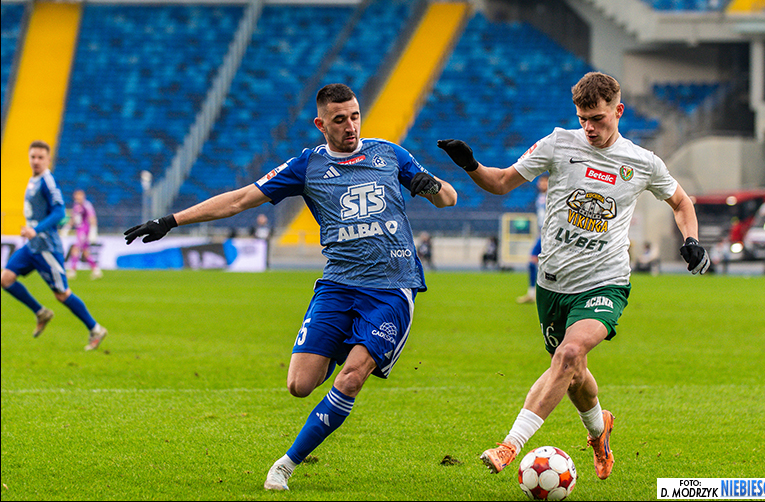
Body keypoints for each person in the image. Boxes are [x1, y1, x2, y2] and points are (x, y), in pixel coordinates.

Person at [124, 83, 457, 491]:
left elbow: (449, 199)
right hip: (338, 285)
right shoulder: (307, 165)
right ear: (321, 124)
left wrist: (432, 186)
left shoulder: (389, 154)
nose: (351, 126)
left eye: (355, 116)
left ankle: (286, 464)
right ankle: (344, 347)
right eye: (339, 119)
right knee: (300, 385)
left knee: (350, 379)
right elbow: (240, 200)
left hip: (391, 288)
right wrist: (170, 221)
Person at [437, 71, 709, 481]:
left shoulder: (642, 162)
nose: (589, 127)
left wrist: (691, 240)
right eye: (583, 118)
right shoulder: (558, 143)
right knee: (573, 372)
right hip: (553, 283)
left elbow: (682, 202)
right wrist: (470, 164)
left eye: (597, 118)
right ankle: (600, 433)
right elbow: (502, 182)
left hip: (605, 282)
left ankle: (509, 445)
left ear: (618, 111)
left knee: (567, 356)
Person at [1, 141, 108, 351]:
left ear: (48, 159)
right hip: (32, 246)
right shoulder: (33, 180)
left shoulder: (48, 182)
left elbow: (59, 212)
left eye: (41, 157)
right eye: (33, 157)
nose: (36, 161)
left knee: (62, 294)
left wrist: (35, 229)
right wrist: (32, 231)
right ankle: (41, 312)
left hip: (47, 248)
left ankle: (96, 329)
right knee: (5, 279)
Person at [517, 174, 548, 303]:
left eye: (545, 182)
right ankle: (532, 293)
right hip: (542, 234)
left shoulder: (552, 196)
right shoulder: (540, 197)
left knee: (535, 262)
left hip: (549, 234)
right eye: (541, 182)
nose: (542, 184)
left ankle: (536, 294)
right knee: (533, 262)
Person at [62, 189, 103, 279]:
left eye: (79, 195)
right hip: (79, 230)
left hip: (84, 230)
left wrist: (93, 231)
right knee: (85, 252)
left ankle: (72, 270)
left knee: (76, 248)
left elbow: (92, 218)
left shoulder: (86, 205)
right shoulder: (76, 205)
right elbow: (73, 218)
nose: (77, 197)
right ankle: (96, 270)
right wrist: (67, 228)